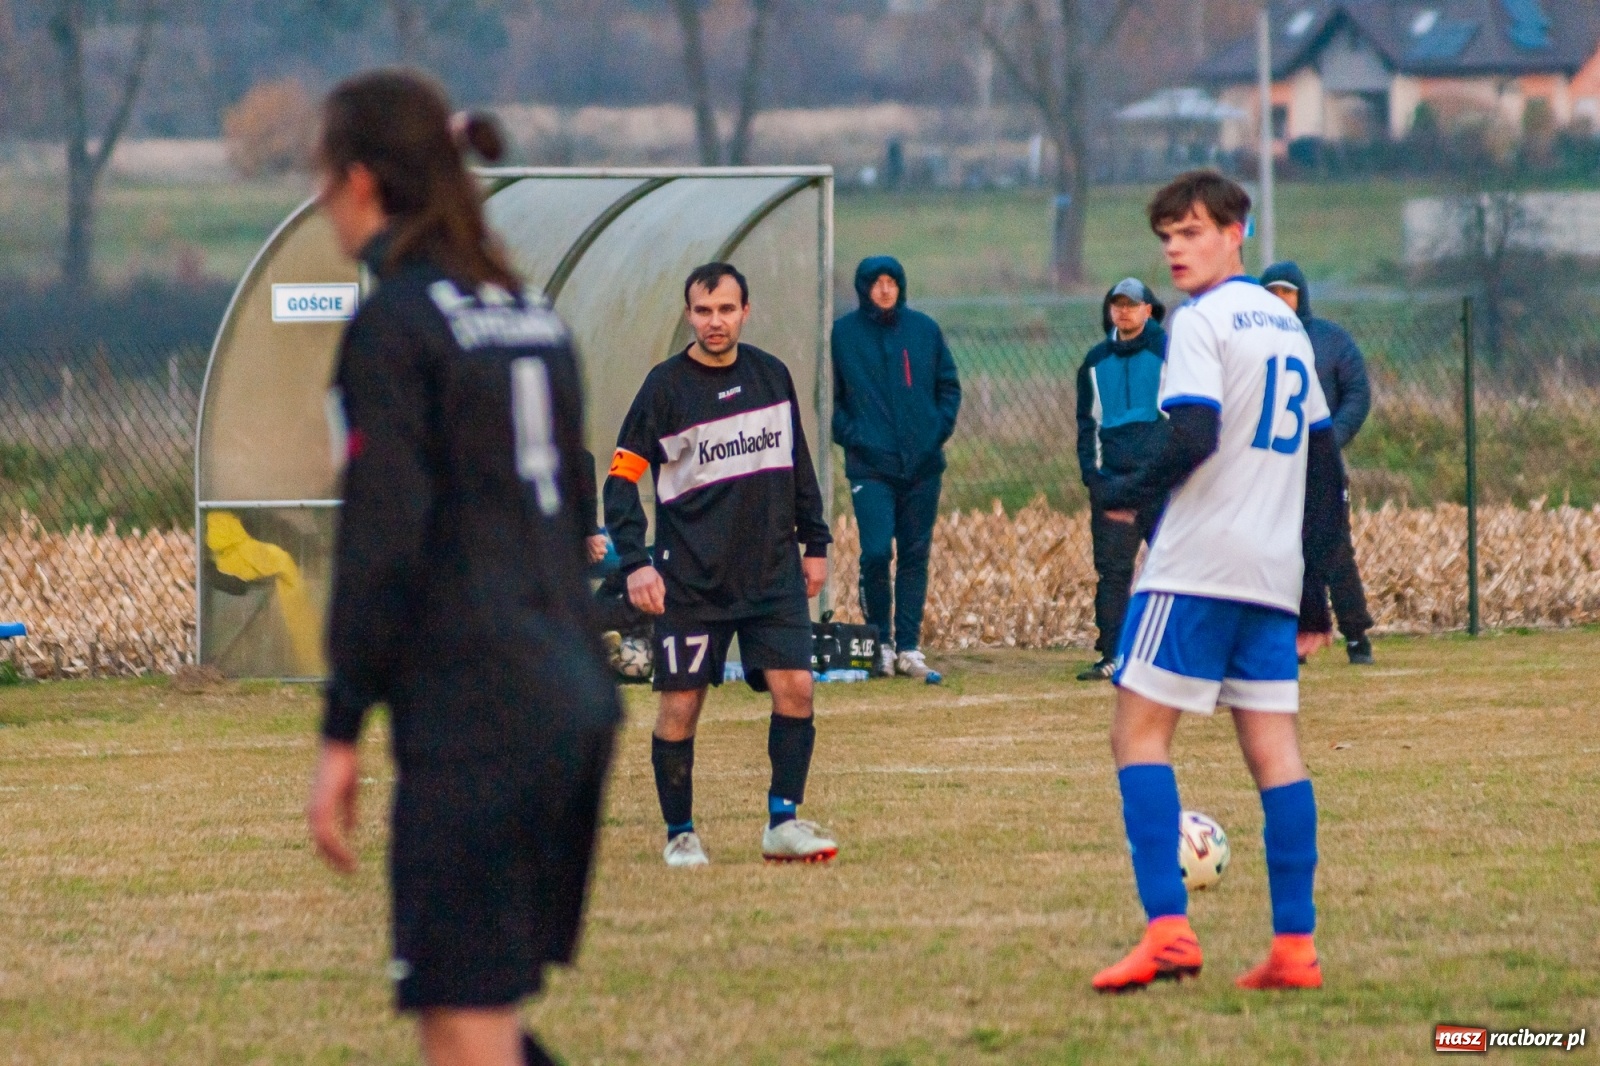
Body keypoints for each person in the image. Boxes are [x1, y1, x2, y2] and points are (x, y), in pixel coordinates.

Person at [303, 71, 621, 1066]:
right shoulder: (524, 311)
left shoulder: (395, 325)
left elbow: (382, 541)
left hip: (480, 711)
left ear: (359, 181)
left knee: (468, 1026)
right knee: (464, 1020)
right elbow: (567, 518)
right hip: (567, 696)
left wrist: (341, 725)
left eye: (319, 171)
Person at [1087, 171, 1347, 993]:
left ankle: (1168, 933)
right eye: (1166, 235)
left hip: (1196, 567)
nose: (1175, 248)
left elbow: (1192, 434)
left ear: (1238, 230)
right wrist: (1314, 592)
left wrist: (1124, 492)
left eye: (1191, 231)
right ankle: (1294, 949)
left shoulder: (1200, 322)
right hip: (1269, 574)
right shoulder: (1288, 325)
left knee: (1137, 736)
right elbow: (1325, 469)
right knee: (1275, 754)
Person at [605, 262, 839, 868]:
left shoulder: (771, 376)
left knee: (797, 690)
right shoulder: (664, 389)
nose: (715, 322)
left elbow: (798, 467)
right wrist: (635, 562)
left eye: (726, 310)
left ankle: (782, 824)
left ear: (745, 312)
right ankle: (680, 834)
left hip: (770, 574)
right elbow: (620, 482)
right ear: (689, 313)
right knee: (680, 706)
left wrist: (815, 543)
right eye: (704, 311)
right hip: (691, 580)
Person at [830, 256, 961, 682]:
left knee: (914, 555)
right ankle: (879, 643)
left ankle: (908, 647)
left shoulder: (924, 330)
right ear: (863, 287)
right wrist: (855, 435)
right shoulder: (844, 334)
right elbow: (829, 397)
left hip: (923, 466)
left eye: (892, 282)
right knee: (874, 552)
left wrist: (934, 432)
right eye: (877, 282)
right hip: (870, 466)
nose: (885, 289)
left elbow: (949, 386)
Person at [1261, 261, 1376, 665]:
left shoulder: (1330, 340)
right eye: (1271, 293)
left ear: (1301, 296)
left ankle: (1357, 634)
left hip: (1319, 468)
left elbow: (1357, 395)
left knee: (1333, 549)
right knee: (1280, 553)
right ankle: (1294, 639)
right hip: (1272, 468)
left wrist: (1329, 442)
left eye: (1286, 292)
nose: (1280, 300)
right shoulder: (1253, 343)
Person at [1074, 277, 1169, 681]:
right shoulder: (1095, 363)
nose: (1124, 311)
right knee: (1113, 571)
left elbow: (1181, 420)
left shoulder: (1171, 353)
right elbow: (1088, 426)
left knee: (1174, 568)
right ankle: (1113, 653)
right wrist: (1096, 480)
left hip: (1162, 484)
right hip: (1114, 483)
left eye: (1132, 304)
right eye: (1118, 304)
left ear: (1149, 309)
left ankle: (1173, 652)